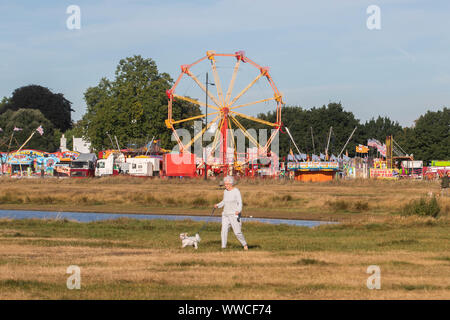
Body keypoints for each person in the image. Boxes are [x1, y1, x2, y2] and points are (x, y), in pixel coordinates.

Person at [214, 176, 248, 251]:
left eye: (227, 184)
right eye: (225, 184)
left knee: (237, 232)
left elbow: (240, 202)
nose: (225, 185)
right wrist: (218, 205)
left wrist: (238, 210)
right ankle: (223, 247)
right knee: (224, 230)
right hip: (225, 214)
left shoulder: (236, 191)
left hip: (234, 214)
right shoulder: (225, 191)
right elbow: (224, 201)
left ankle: (244, 244)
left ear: (231, 184)